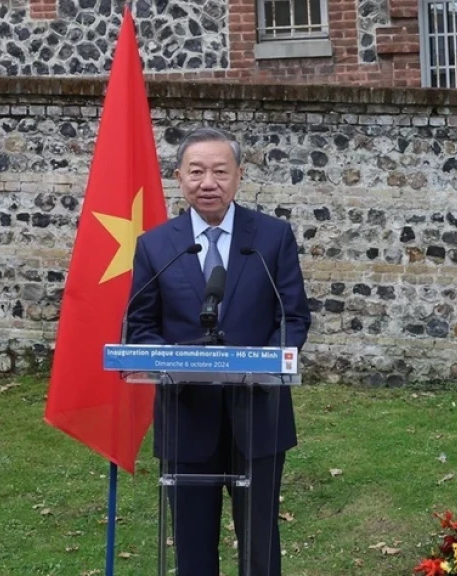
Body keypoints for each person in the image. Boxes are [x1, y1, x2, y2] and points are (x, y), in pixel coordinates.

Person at [125, 127, 312, 576]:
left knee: (260, 546)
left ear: (239, 176)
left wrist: (267, 364)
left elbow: (293, 318)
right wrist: (175, 363)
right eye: (196, 171)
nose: (208, 182)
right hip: (186, 416)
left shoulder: (271, 237)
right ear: (179, 177)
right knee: (192, 548)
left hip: (259, 413)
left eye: (219, 172)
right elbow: (140, 326)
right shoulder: (156, 245)